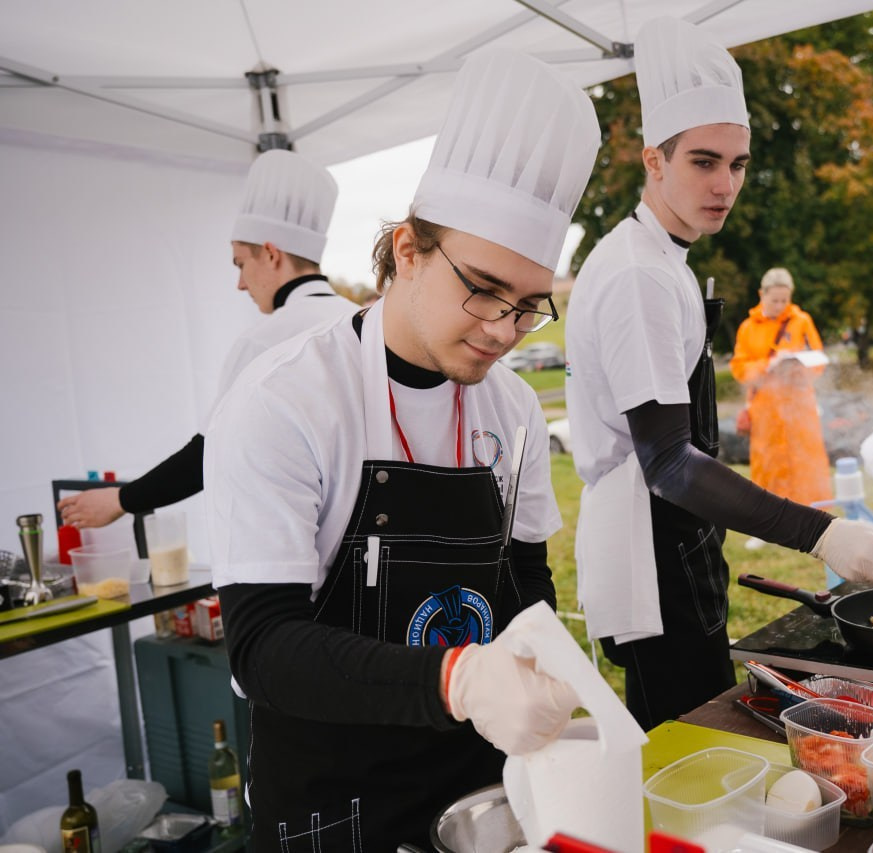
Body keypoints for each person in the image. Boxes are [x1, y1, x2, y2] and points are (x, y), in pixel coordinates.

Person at [203, 49, 600, 851]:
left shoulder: (515, 407)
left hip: (483, 787)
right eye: (483, 289)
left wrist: (544, 670)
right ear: (408, 249)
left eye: (528, 307)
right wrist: (456, 676)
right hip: (333, 805)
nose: (501, 329)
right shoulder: (287, 400)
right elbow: (262, 645)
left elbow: (524, 576)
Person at [565, 16, 873, 732]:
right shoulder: (640, 276)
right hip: (652, 547)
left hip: (675, 538)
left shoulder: (661, 258)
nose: (726, 184)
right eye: (703, 161)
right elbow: (666, 461)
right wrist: (822, 534)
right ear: (653, 161)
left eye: (739, 163)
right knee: (687, 748)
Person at [56, 150, 355, 531]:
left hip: (300, 535)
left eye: (240, 263)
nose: (241, 283)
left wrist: (120, 500)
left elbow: (210, 452)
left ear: (270, 253)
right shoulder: (359, 320)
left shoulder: (266, 340)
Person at [730, 266, 833, 508]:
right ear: (761, 294)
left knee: (806, 460)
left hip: (799, 404)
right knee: (767, 462)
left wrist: (799, 368)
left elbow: (818, 360)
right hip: (765, 409)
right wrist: (768, 364)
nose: (780, 305)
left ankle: (814, 515)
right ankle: (766, 519)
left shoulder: (802, 321)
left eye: (784, 300)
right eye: (775, 300)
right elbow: (739, 368)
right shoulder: (747, 327)